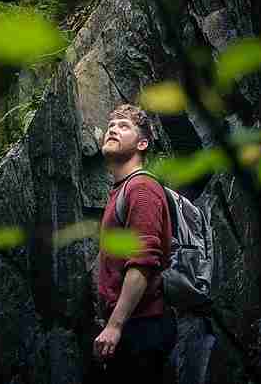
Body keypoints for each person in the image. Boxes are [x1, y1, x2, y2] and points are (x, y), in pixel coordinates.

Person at [94, 104, 177, 381]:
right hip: (133, 325)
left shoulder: (141, 188)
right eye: (111, 125)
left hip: (142, 327)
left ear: (142, 143)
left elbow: (142, 263)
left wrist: (115, 326)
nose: (113, 128)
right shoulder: (121, 190)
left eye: (123, 125)